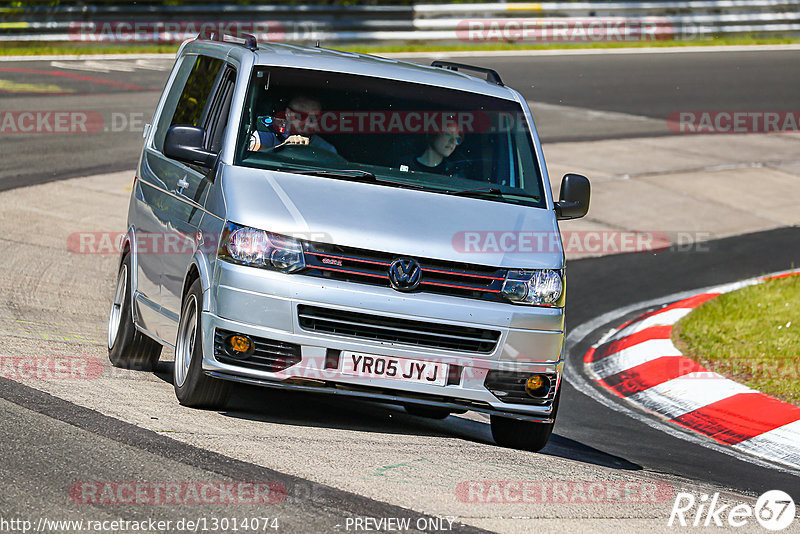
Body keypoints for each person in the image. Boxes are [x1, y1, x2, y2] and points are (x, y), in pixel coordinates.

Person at [248, 95, 337, 154]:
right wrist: (284, 147)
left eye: (313, 118)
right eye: (301, 116)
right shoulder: (267, 131)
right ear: (288, 113)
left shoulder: (326, 149)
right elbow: (254, 155)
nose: (307, 122)